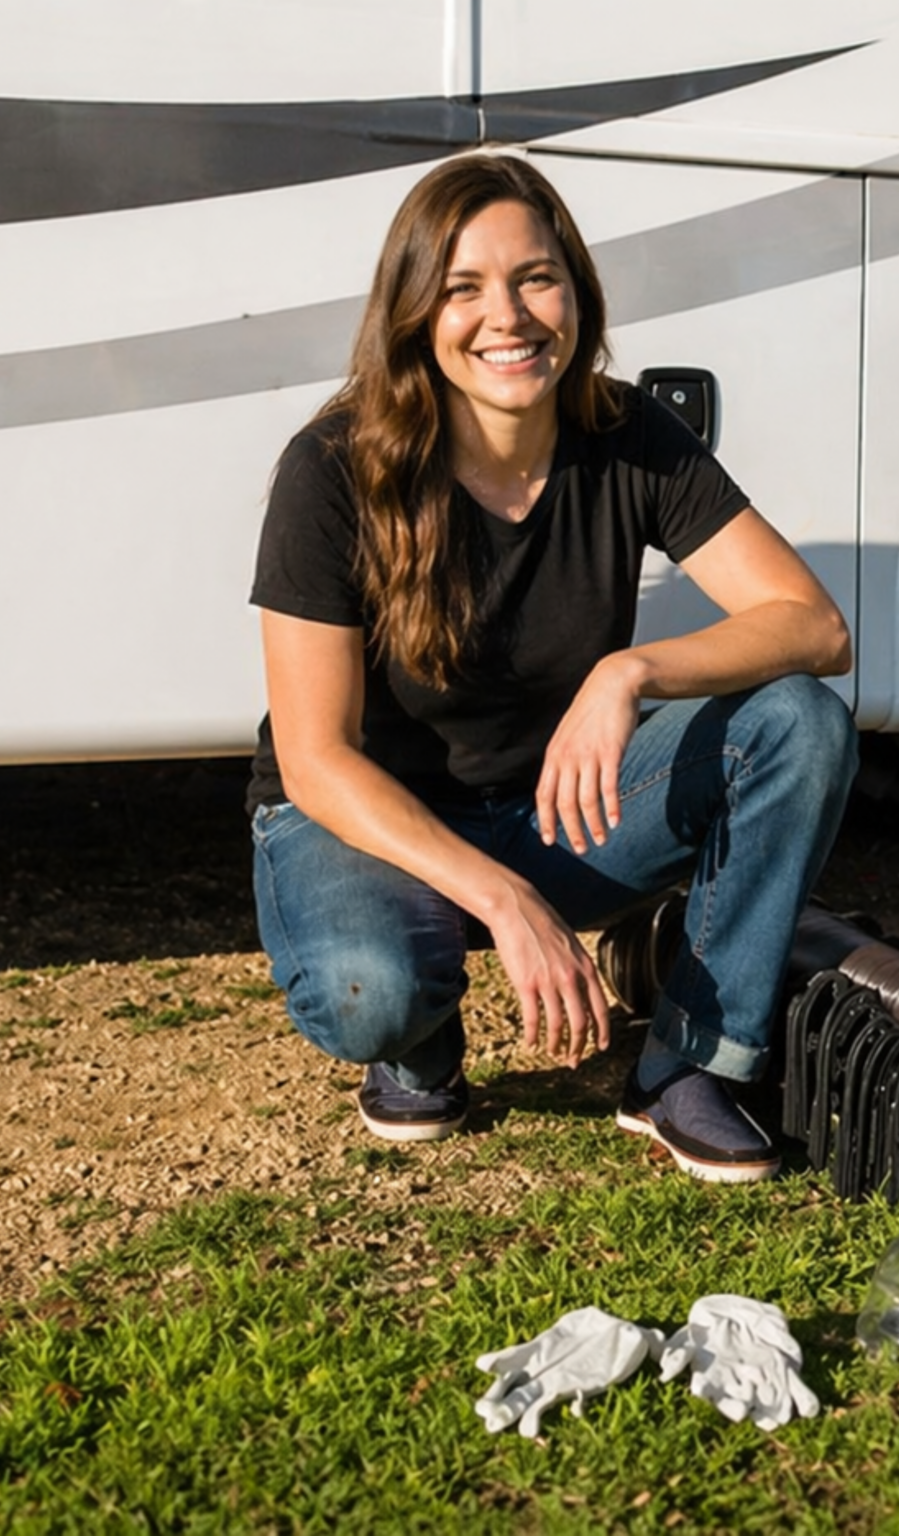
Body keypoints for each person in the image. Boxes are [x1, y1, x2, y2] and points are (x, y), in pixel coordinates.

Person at [244, 153, 857, 1183]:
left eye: (535, 277)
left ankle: (688, 1068)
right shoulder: (333, 468)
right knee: (370, 994)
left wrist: (628, 672)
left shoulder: (626, 434)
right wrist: (508, 903)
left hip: (549, 807)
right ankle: (420, 1034)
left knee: (799, 721)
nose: (509, 317)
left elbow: (812, 626)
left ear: (575, 289)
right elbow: (315, 760)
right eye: (463, 288)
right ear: (413, 312)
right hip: (370, 823)